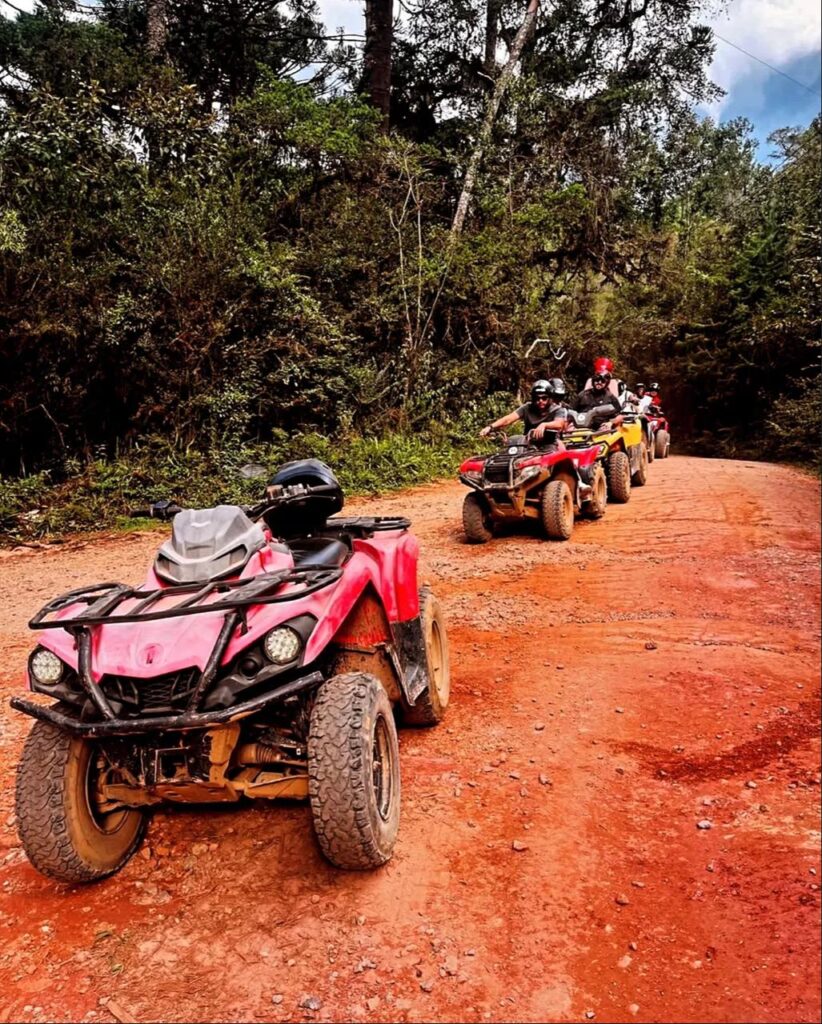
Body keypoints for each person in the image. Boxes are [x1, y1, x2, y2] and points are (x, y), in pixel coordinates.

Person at [480, 379, 569, 447]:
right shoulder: (527, 407)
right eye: (536, 398)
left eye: (544, 398)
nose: (540, 401)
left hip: (550, 445)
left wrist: (544, 425)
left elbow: (559, 424)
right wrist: (490, 427)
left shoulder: (558, 409)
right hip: (527, 444)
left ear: (550, 398)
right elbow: (509, 418)